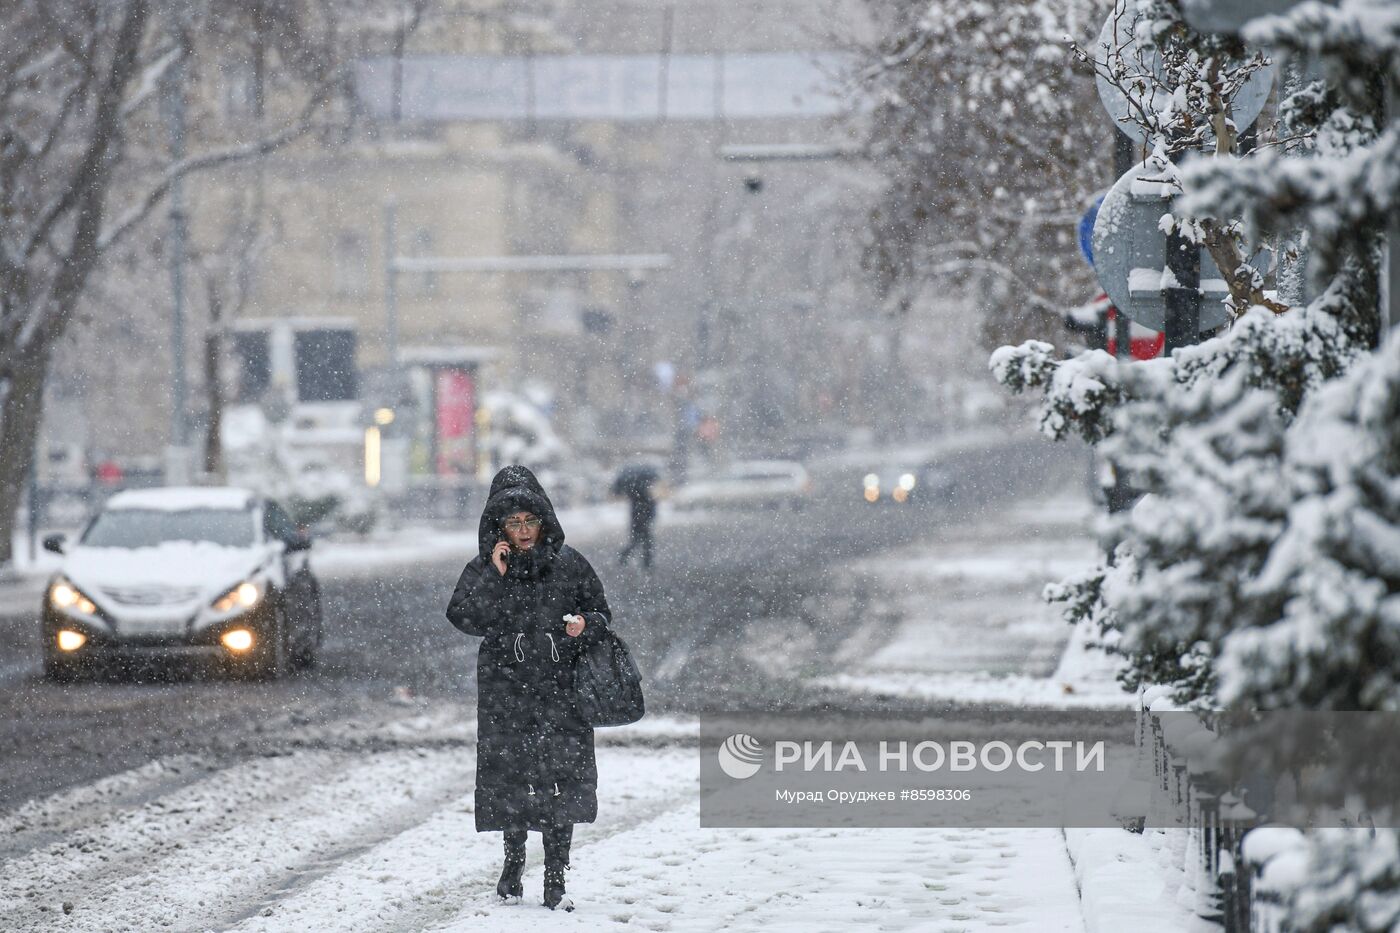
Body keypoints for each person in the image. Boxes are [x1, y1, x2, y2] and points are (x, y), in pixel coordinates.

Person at [445, 465, 614, 912]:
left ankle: (556, 874)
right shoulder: (486, 568)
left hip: (562, 690)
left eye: (530, 521)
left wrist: (584, 626)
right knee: (512, 779)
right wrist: (494, 576)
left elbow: (601, 614)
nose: (523, 531)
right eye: (513, 523)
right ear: (498, 527)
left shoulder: (569, 564)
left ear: (544, 522)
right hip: (507, 691)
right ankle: (513, 861)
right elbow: (465, 618)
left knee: (562, 780)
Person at [612, 466, 658, 569]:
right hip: (642, 521)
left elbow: (639, 510)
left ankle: (626, 557)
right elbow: (650, 507)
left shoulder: (633, 494)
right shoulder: (644, 495)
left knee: (637, 541)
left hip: (637, 520)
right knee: (644, 542)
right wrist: (650, 515)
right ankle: (645, 563)